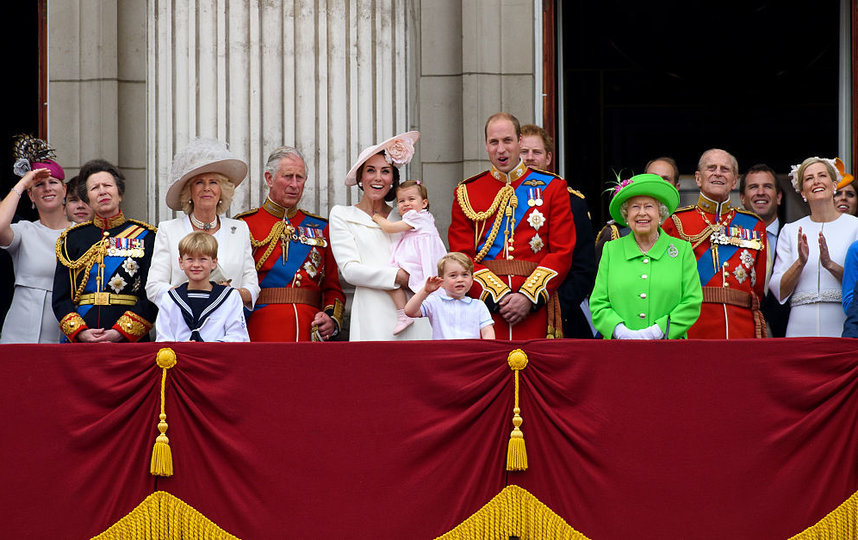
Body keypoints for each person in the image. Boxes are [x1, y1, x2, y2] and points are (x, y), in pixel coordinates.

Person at [448, 112, 575, 339]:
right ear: (486, 145)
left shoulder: (552, 187)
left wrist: (528, 296)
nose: (501, 149)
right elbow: (461, 256)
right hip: (484, 308)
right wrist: (496, 296)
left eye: (507, 140)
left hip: (536, 306)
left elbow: (562, 252)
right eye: (494, 142)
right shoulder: (467, 192)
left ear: (520, 141)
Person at [329, 131, 432, 341]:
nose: (378, 178)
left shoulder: (406, 217)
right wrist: (398, 277)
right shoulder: (342, 215)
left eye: (385, 171)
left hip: (415, 311)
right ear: (360, 177)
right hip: (372, 312)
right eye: (370, 170)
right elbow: (350, 271)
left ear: (393, 179)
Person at [237, 146, 345, 342]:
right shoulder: (244, 225)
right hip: (260, 329)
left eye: (300, 177)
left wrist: (330, 318)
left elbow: (333, 287)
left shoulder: (322, 228)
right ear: (269, 179)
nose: (294, 184)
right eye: (288, 176)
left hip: (309, 330)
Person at [662, 148, 768, 338]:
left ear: (734, 181)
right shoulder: (676, 222)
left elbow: (757, 287)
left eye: (725, 169)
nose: (718, 173)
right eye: (711, 168)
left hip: (741, 327)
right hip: (693, 325)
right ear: (698, 178)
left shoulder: (754, 225)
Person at [146, 138, 259, 310]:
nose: (207, 188)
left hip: (226, 324)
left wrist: (230, 294)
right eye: (199, 182)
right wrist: (190, 294)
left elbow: (252, 288)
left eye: (213, 182)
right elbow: (154, 287)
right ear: (189, 192)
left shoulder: (239, 229)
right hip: (182, 324)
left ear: (222, 191)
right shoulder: (168, 230)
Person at [53, 159, 158, 342]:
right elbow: (61, 298)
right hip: (82, 337)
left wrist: (120, 332)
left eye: (107, 185)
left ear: (119, 194)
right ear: (88, 200)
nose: (102, 191)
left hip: (129, 341)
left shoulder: (147, 236)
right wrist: (81, 332)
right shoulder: (71, 239)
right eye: (94, 188)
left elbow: (151, 295)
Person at [590, 173, 702, 339]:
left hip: (669, 350)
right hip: (619, 351)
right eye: (635, 207)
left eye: (649, 206)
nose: (642, 213)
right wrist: (620, 332)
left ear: (661, 213)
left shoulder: (682, 251)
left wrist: (658, 331)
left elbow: (691, 302)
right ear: (626, 215)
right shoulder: (611, 250)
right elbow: (598, 303)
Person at [520, 123, 597, 338]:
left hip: (560, 314)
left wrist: (551, 307)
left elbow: (583, 268)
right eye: (524, 152)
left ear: (548, 158)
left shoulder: (572, 202)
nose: (529, 158)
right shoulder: (500, 202)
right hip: (509, 314)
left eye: (537, 152)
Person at [768, 157, 858, 337]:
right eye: (809, 178)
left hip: (841, 323)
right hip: (800, 325)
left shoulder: (855, 227)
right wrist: (800, 263)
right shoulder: (790, 230)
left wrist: (830, 265)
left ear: (834, 185)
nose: (816, 181)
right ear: (802, 191)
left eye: (822, 175)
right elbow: (778, 291)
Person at [0, 135, 73, 343]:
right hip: (19, 334)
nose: (47, 188)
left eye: (53, 182)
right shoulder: (24, 231)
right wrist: (23, 183)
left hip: (63, 332)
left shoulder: (79, 234)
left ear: (64, 190)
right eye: (39, 185)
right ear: (31, 196)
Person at [371, 179, 447, 334]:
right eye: (401, 201)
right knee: (390, 279)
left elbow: (390, 228)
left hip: (419, 262)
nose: (406, 204)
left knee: (390, 277)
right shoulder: (424, 217)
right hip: (418, 258)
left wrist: (377, 218)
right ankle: (403, 315)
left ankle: (403, 314)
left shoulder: (416, 216)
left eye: (411, 199)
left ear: (424, 203)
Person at [155, 232, 249, 342]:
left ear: (214, 262)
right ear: (181, 263)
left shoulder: (230, 297)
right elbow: (163, 339)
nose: (196, 264)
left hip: (217, 358)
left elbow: (238, 337)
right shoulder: (170, 298)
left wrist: (204, 349)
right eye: (190, 259)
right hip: (180, 357)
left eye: (202, 259)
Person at [595, 156, 680, 263]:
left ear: (676, 188)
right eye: (652, 177)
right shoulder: (615, 234)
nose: (658, 182)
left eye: (665, 179)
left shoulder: (682, 229)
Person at [739, 163, 789, 337]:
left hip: (787, 333)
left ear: (779, 197)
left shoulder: (796, 236)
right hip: (743, 332)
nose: (761, 192)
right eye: (753, 187)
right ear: (742, 198)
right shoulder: (730, 242)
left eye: (767, 186)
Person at [404, 251, 495, 339]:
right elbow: (409, 311)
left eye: (464, 274)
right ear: (442, 282)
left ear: (472, 280)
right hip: (443, 352)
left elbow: (487, 331)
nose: (460, 279)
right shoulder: (435, 302)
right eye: (453, 275)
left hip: (470, 352)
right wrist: (425, 291)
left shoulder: (479, 305)